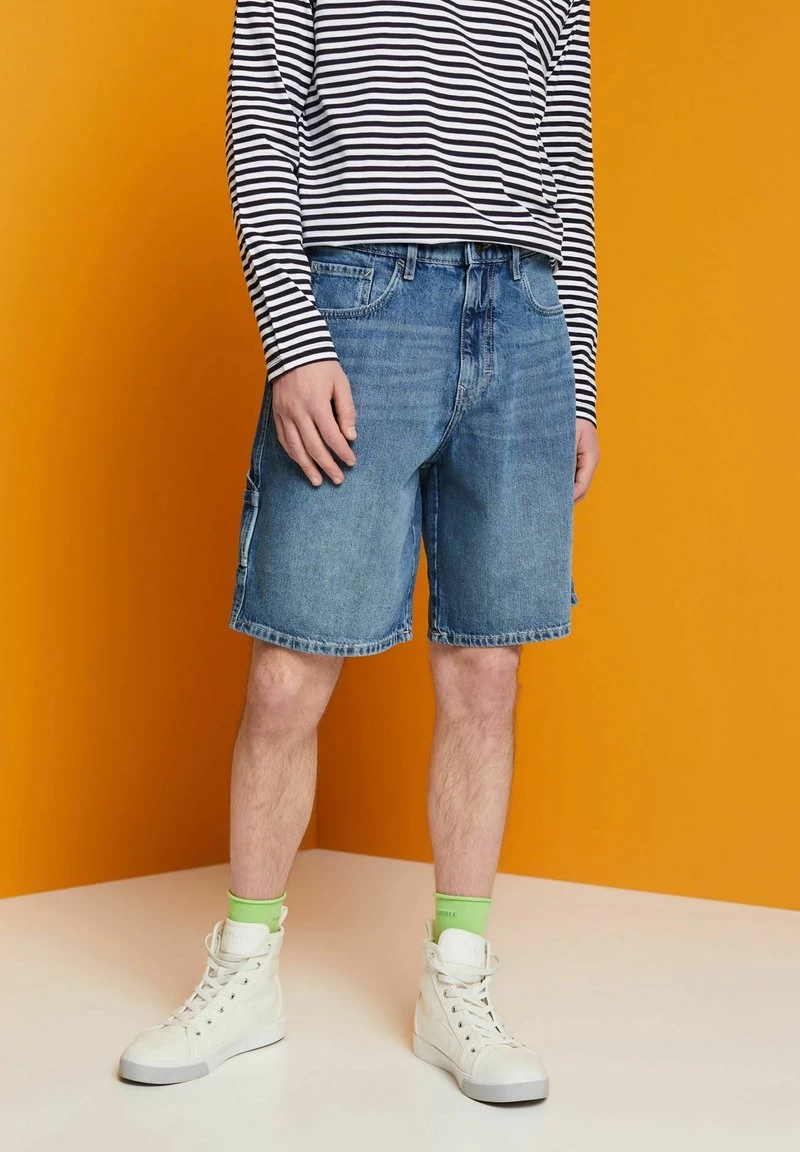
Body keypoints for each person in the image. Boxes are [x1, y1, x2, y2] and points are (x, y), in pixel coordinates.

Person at [119, 0, 600, 1103]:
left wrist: (578, 375)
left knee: (487, 667)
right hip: (360, 305)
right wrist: (294, 341)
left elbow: (566, 171)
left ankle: (457, 982)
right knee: (289, 670)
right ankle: (244, 973)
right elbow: (260, 121)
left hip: (525, 311)